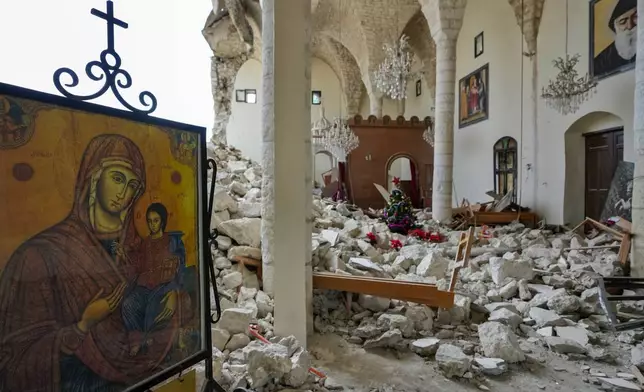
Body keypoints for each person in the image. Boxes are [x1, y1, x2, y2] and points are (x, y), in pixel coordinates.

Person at [0, 134, 190, 392]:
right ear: (94, 176)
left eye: (132, 184)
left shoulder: (136, 247)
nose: (124, 193)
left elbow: (161, 279)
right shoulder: (39, 255)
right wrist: (82, 326)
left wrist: (173, 293)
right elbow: (14, 359)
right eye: (118, 178)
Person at [117, 203, 186, 357]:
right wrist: (124, 256)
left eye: (156, 220)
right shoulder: (145, 243)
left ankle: (151, 341)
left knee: (152, 309)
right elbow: (138, 266)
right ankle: (137, 339)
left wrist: (174, 289)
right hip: (144, 286)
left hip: (164, 286)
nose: (152, 224)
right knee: (128, 304)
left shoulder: (172, 241)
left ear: (162, 221)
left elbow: (180, 269)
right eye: (149, 221)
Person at [593, 0, 637, 77]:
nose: (630, 26)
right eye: (623, 22)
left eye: (636, 17)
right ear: (615, 28)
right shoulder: (601, 61)